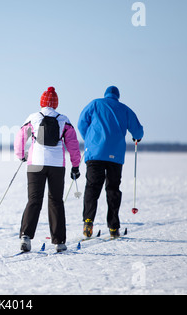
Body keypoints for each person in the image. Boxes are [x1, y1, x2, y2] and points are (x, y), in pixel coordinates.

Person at [14, 87, 81, 252]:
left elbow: (20, 137)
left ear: (41, 102)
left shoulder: (34, 117)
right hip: (57, 164)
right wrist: (75, 165)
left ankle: (26, 237)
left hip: (36, 163)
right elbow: (73, 145)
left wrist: (21, 155)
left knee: (34, 200)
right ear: (56, 103)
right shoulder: (64, 120)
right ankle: (59, 242)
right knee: (56, 201)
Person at [78, 86, 144, 238]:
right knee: (113, 189)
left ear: (105, 94)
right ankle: (114, 227)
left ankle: (88, 222)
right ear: (117, 96)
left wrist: (89, 139)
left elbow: (82, 123)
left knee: (92, 188)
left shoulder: (95, 104)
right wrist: (137, 137)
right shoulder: (125, 109)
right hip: (115, 156)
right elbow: (138, 131)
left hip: (95, 154)